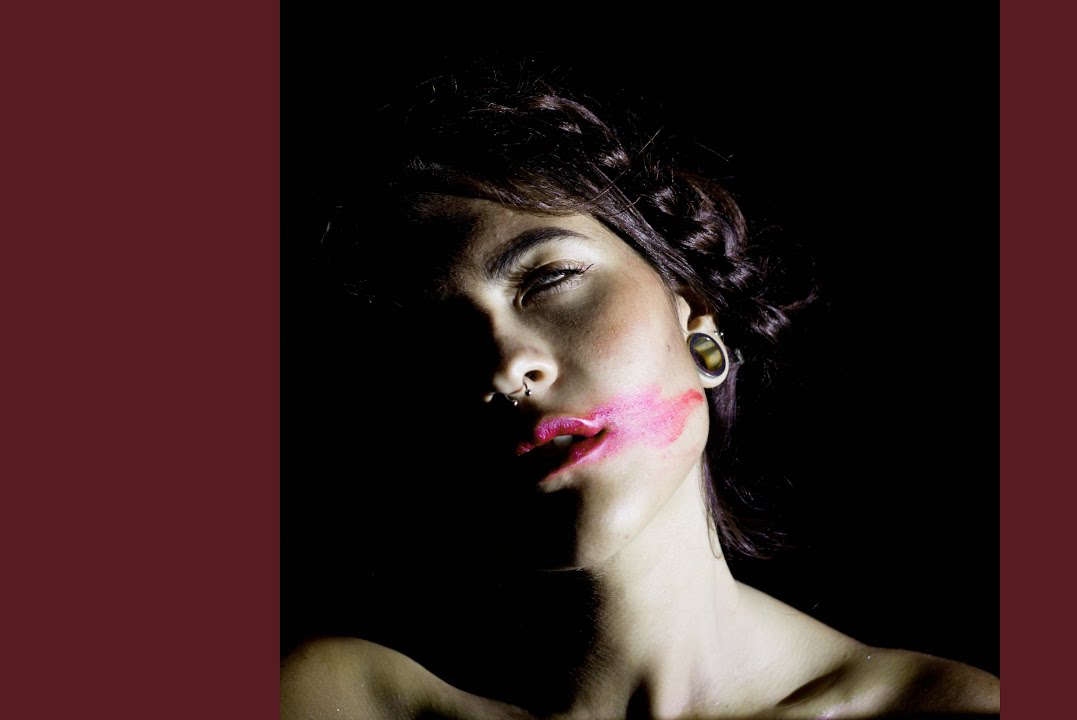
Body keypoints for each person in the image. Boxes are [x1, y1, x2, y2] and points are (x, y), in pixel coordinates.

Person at [281, 69, 999, 719]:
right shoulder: (331, 702)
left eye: (550, 279)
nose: (505, 367)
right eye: (436, 341)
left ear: (695, 318)